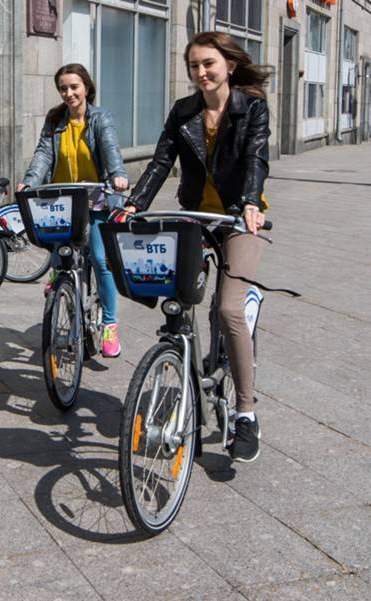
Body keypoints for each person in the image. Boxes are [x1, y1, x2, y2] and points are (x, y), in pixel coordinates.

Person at [125, 31, 270, 463]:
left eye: (208, 63)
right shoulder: (183, 111)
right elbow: (161, 161)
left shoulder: (251, 108)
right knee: (179, 296)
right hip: (197, 216)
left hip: (238, 217)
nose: (201, 72)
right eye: (194, 66)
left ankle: (246, 413)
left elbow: (256, 160)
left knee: (227, 309)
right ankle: (186, 365)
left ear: (228, 64)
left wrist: (249, 203)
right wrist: (134, 204)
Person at [18, 63, 129, 358]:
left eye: (74, 87)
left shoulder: (100, 118)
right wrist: (29, 182)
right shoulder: (56, 120)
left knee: (101, 260)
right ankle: (59, 274)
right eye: (63, 88)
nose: (69, 93)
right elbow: (44, 154)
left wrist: (117, 176)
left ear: (87, 88)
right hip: (64, 199)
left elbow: (110, 149)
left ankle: (109, 324)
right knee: (59, 247)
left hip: (97, 199)